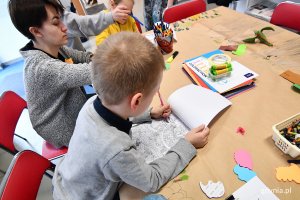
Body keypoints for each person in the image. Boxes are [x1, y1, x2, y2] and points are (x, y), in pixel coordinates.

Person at [52, 32, 210, 200]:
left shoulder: (90, 104)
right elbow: (152, 180)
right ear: (137, 101)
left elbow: (116, 113)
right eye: (155, 91)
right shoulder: (116, 149)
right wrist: (186, 144)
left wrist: (148, 113)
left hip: (67, 184)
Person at [8, 0, 126, 148]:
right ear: (36, 31)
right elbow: (95, 71)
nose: (65, 28)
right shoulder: (41, 67)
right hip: (64, 127)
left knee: (119, 99)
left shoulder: (53, 48)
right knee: (120, 115)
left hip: (75, 106)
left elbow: (85, 58)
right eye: (56, 23)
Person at [60, 0, 131, 51]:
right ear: (112, 4)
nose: (128, 15)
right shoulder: (104, 25)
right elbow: (102, 46)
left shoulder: (130, 20)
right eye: (125, 11)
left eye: (130, 11)